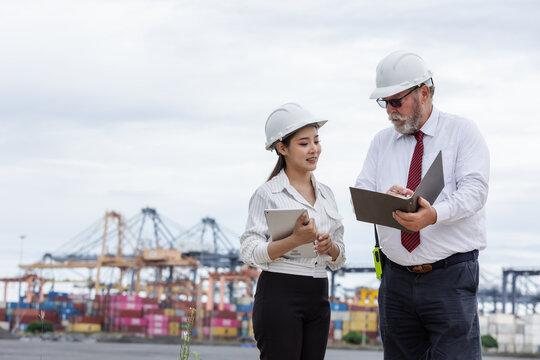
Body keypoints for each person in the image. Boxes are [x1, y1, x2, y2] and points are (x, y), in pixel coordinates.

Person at [354, 51, 490, 359]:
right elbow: (362, 191)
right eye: (384, 103)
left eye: (396, 101)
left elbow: (475, 191)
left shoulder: (462, 132)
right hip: (396, 281)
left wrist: (434, 215)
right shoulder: (380, 142)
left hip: (450, 278)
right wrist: (388, 200)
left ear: (424, 93)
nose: (389, 111)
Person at [240, 102, 346, 360]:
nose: (314, 149)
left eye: (316, 141)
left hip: (319, 293)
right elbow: (249, 252)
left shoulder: (327, 195)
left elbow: (340, 258)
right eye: (304, 143)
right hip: (280, 293)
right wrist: (295, 240)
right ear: (282, 147)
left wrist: (329, 247)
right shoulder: (267, 194)